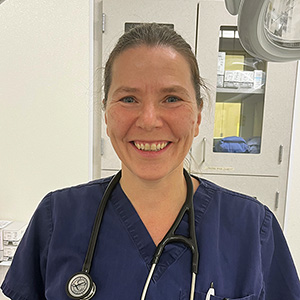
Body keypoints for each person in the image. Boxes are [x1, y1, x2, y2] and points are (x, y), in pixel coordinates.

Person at [1, 23, 300, 300]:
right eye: (129, 99)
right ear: (107, 115)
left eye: (171, 98)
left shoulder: (252, 227)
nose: (148, 121)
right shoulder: (57, 218)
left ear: (197, 116)